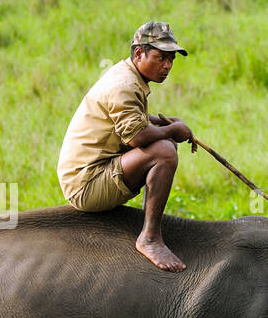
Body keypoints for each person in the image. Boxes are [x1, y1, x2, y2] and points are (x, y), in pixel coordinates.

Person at [57, 21, 196, 271]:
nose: (167, 66)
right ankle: (150, 238)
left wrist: (162, 122)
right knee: (164, 151)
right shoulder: (124, 85)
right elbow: (137, 137)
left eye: (171, 59)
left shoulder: (128, 75)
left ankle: (148, 223)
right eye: (161, 58)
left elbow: (132, 121)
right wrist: (173, 130)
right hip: (85, 183)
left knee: (165, 145)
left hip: (95, 169)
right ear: (139, 53)